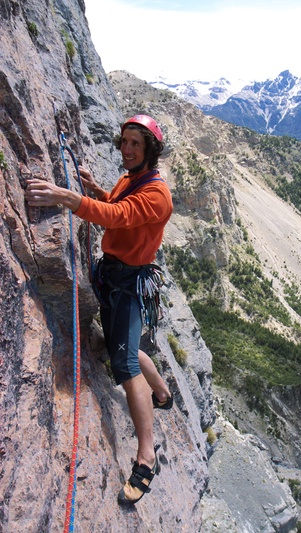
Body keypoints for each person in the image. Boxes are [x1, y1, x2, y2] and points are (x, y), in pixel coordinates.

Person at [26, 115, 174, 504]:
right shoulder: (130, 179)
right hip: (114, 275)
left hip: (127, 283)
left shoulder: (157, 194)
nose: (126, 150)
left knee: (123, 364)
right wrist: (95, 190)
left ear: (150, 151)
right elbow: (117, 205)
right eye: (123, 142)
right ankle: (161, 392)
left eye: (135, 145)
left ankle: (146, 456)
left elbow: (120, 217)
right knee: (120, 344)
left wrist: (68, 197)